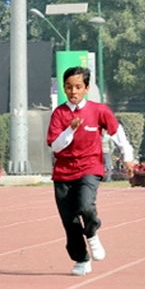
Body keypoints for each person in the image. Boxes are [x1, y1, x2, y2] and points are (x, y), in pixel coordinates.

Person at [47, 67, 134, 276]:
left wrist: (128, 157)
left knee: (86, 206)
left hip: (89, 167)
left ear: (86, 88)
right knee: (70, 221)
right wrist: (71, 129)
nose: (73, 92)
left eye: (78, 87)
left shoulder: (99, 110)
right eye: (68, 87)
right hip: (63, 172)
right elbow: (55, 146)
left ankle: (92, 232)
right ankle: (81, 259)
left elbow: (117, 133)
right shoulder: (59, 113)